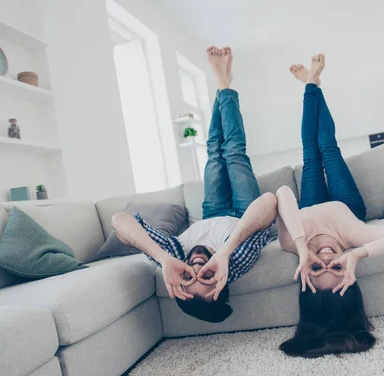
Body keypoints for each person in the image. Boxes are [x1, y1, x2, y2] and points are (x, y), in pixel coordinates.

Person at [277, 54, 384, 357]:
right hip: (345, 206)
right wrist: (358, 253)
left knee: (311, 152)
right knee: (327, 147)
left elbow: (282, 193)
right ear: (346, 271)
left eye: (317, 268)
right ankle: (313, 84)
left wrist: (301, 248)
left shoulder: (292, 243)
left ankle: (311, 84)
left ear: (306, 272)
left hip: (308, 204)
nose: (324, 257)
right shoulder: (355, 239)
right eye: (335, 266)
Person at [112, 46, 276, 323]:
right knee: (233, 151)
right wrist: (224, 253)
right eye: (208, 278)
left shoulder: (175, 258)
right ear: (221, 280)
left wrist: (163, 260)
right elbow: (270, 202)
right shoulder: (234, 263)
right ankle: (223, 83)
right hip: (244, 212)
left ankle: (222, 84)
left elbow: (120, 220)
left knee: (213, 150)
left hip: (211, 212)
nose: (198, 268)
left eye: (190, 279)